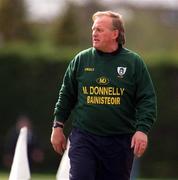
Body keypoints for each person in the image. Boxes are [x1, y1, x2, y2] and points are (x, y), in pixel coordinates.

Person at [51, 11, 157, 180]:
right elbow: (66, 96)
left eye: (99, 29)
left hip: (120, 142)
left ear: (115, 34)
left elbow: (147, 100)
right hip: (84, 138)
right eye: (93, 29)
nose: (94, 33)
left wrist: (142, 130)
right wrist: (57, 126)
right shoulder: (81, 60)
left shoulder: (133, 63)